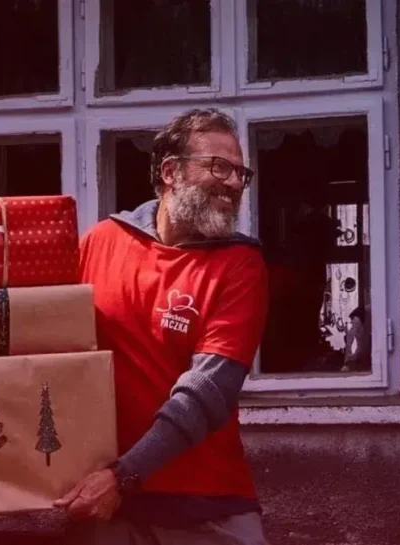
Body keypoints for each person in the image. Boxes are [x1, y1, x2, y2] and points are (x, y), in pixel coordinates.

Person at [56, 109, 270, 545]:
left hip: (204, 501)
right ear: (171, 172)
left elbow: (206, 394)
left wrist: (123, 475)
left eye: (239, 173)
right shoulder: (101, 242)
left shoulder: (240, 264)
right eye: (219, 167)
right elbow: (51, 354)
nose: (233, 183)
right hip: (104, 503)